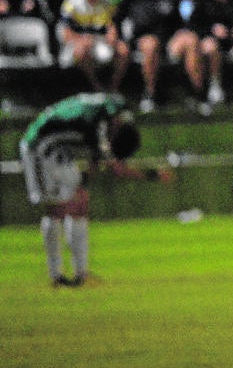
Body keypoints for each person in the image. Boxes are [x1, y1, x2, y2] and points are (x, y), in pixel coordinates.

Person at [20, 93, 171, 286]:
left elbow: (96, 161)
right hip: (39, 147)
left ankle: (81, 274)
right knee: (58, 209)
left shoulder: (98, 111)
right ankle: (56, 275)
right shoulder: (97, 123)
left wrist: (82, 183)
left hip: (59, 150)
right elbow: (116, 168)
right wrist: (153, 175)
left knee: (80, 204)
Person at [57, 0, 131, 92]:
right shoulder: (71, 3)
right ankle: (95, 87)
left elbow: (112, 25)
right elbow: (65, 32)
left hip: (100, 41)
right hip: (77, 43)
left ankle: (113, 88)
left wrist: (112, 34)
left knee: (123, 50)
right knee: (81, 51)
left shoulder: (107, 1)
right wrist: (80, 39)